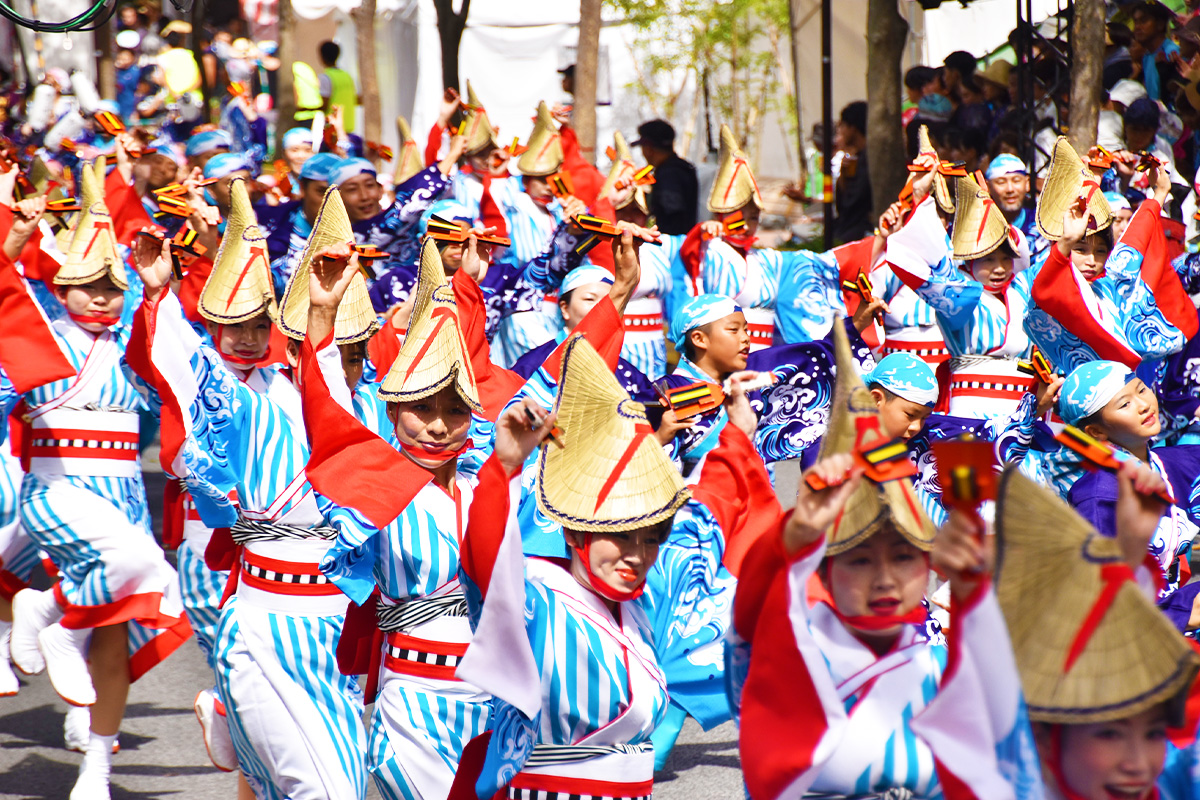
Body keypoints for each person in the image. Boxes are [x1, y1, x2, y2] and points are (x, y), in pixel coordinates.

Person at [4, 160, 190, 800]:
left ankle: (97, 768)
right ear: (61, 287)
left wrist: (158, 291)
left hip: (123, 502)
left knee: (114, 641)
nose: (100, 295)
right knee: (144, 569)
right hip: (56, 496)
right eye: (85, 284)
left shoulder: (133, 350)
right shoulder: (38, 344)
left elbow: (184, 371)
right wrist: (11, 248)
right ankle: (48, 615)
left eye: (112, 284)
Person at [632, 118, 698, 235]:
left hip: (673, 246)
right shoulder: (683, 168)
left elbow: (672, 215)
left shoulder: (669, 174)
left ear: (649, 149)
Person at [833, 101, 872, 244]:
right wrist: (843, 174)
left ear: (852, 128)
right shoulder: (858, 158)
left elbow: (850, 204)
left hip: (860, 229)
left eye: (842, 126)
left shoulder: (868, 159)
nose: (841, 131)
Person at [318, 40, 359, 134]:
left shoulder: (325, 77)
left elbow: (324, 103)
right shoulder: (347, 76)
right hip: (349, 126)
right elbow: (358, 99)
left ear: (322, 56)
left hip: (333, 129)